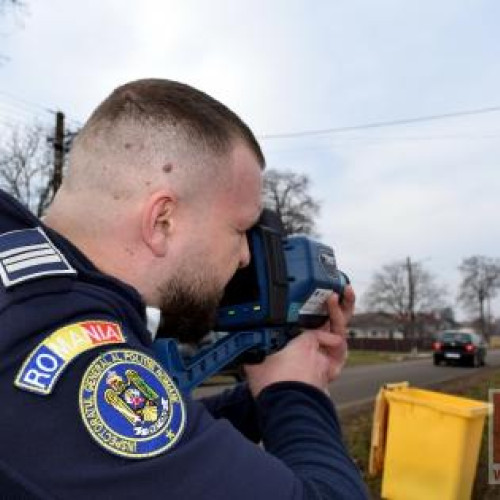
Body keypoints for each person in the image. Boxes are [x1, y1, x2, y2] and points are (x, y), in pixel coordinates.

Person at [0, 79, 368, 499]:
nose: (246, 256)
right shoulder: (49, 346)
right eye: (241, 230)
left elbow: (146, 434)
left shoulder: (29, 295)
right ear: (163, 221)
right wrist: (295, 393)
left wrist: (271, 388)